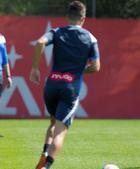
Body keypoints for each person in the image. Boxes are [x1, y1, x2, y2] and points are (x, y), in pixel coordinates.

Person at [30, 1, 101, 169]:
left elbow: (40, 42)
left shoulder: (57, 32)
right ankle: (46, 167)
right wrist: (79, 71)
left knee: (53, 122)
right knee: (61, 130)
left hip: (51, 85)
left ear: (67, 16)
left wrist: (34, 68)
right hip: (70, 88)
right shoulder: (90, 38)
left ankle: (44, 153)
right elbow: (96, 67)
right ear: (83, 18)